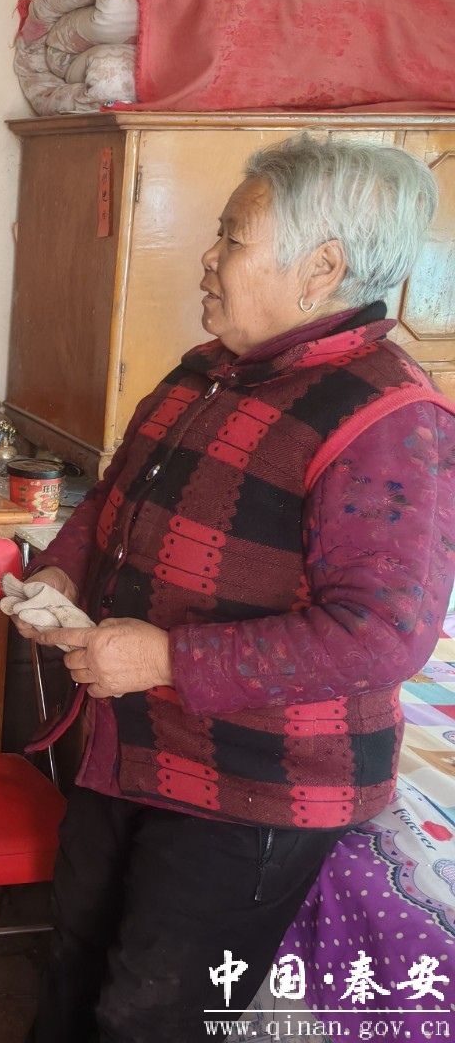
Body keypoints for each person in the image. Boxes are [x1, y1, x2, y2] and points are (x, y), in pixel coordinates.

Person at [23, 134, 455, 1039]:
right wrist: (64, 565)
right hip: (134, 744)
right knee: (72, 962)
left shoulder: (386, 415)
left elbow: (383, 636)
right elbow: (113, 497)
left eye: (232, 238)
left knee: (150, 1013)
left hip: (256, 783)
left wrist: (166, 659)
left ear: (321, 269)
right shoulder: (206, 373)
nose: (208, 260)